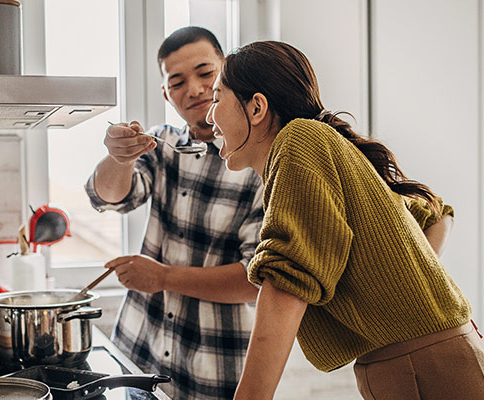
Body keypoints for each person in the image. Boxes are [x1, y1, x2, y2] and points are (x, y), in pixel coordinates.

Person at [205, 40, 484, 400]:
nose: (209, 116)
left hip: (424, 368)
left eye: (216, 98)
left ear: (256, 107)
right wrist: (398, 284)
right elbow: (434, 214)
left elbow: (287, 281)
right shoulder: (320, 147)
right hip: (421, 363)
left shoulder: (300, 141)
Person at [84, 27, 265, 399]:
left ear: (226, 73)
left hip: (216, 365)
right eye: (178, 82)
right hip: (139, 352)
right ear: (166, 94)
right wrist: (119, 157)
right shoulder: (161, 144)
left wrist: (164, 277)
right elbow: (109, 198)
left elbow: (255, 280)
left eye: (205, 73)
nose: (195, 89)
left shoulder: (256, 162)